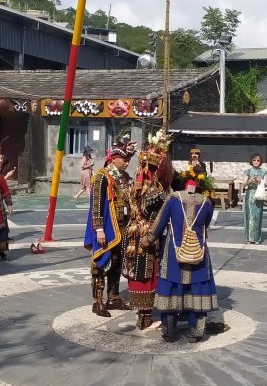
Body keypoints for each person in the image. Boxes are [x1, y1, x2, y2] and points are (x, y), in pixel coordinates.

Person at [144, 171, 218, 342]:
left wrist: (149, 238)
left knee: (171, 283)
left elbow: (160, 221)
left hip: (174, 250)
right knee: (197, 285)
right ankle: (196, 330)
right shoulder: (206, 202)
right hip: (198, 251)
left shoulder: (173, 199)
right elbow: (206, 225)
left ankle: (169, 328)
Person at [84, 139, 136, 317]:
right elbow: (96, 204)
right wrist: (99, 229)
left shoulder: (126, 177)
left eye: (128, 159)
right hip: (107, 227)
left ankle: (113, 297)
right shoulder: (102, 176)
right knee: (101, 263)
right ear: (114, 158)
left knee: (117, 262)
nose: (127, 162)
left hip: (123, 227)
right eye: (124, 159)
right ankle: (97, 301)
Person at [126, 132, 172, 330]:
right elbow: (161, 216)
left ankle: (142, 315)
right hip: (149, 235)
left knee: (137, 272)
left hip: (133, 233)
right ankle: (146, 315)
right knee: (148, 272)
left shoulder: (132, 187)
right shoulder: (157, 192)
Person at [243, 153, 267, 244]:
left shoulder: (263, 171)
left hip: (259, 195)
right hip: (250, 195)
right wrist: (250, 180)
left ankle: (256, 238)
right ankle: (249, 238)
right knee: (249, 216)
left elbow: (265, 184)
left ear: (260, 162)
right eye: (254, 160)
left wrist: (261, 180)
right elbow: (244, 184)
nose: (256, 162)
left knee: (258, 216)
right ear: (251, 161)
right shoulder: (247, 171)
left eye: (258, 160)